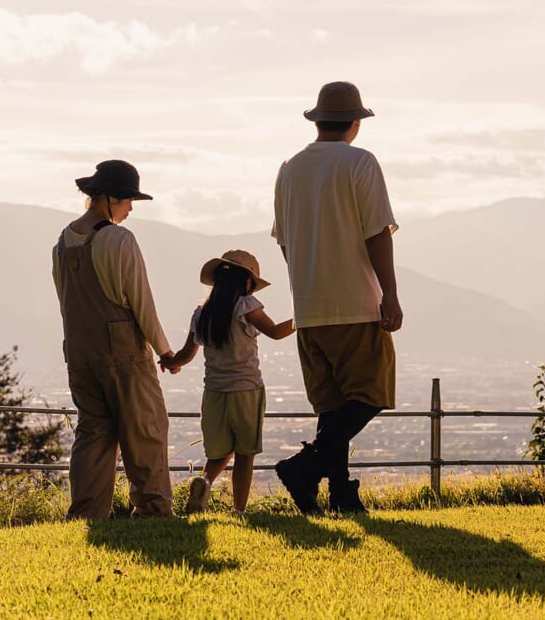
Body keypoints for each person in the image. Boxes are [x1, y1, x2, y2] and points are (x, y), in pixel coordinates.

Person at [271, 81, 403, 515]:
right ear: (355, 123)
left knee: (332, 407)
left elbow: (285, 242)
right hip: (355, 303)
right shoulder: (359, 163)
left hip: (308, 307)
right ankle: (305, 468)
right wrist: (390, 294)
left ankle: (340, 494)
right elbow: (377, 232)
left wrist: (303, 283)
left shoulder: (289, 169)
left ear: (318, 120)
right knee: (370, 394)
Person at [52, 159, 176, 520]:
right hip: (122, 351)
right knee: (146, 428)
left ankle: (87, 514)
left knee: (93, 434)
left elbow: (65, 301)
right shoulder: (118, 239)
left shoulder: (62, 242)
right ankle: (153, 509)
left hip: (79, 352)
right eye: (126, 200)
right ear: (107, 198)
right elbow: (142, 304)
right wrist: (165, 351)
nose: (131, 208)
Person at [162, 250, 294, 515]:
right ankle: (238, 508)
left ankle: (205, 482)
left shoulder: (201, 313)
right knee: (245, 454)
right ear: (245, 281)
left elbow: (187, 354)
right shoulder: (247, 306)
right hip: (246, 390)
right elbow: (276, 332)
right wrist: (306, 316)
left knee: (219, 453)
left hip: (213, 394)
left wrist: (171, 363)